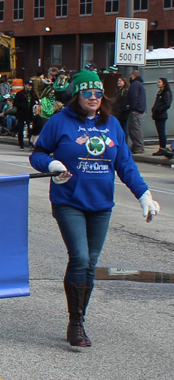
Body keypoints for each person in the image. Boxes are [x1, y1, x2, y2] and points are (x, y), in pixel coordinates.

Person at [29, 70, 160, 348]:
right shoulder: (59, 122)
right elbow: (38, 153)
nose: (93, 97)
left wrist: (144, 195)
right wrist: (51, 165)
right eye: (87, 92)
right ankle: (74, 324)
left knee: (90, 263)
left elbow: (125, 164)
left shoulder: (112, 125)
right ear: (76, 95)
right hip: (69, 202)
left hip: (101, 205)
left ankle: (80, 317)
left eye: (98, 93)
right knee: (79, 256)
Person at [124, 70, 146, 154]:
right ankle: (137, 145)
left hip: (135, 110)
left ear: (132, 75)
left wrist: (131, 107)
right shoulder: (139, 84)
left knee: (134, 128)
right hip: (138, 109)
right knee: (134, 128)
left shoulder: (135, 84)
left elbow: (133, 97)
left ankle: (139, 146)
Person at [13, 80, 39, 150]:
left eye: (31, 86)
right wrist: (22, 105)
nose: (30, 87)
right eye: (28, 85)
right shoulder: (20, 93)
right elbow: (15, 103)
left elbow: (37, 101)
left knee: (30, 129)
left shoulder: (33, 93)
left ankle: (31, 144)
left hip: (30, 114)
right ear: (25, 85)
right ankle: (21, 144)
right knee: (20, 129)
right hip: (21, 113)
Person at [150, 78, 172, 156]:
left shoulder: (166, 93)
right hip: (157, 115)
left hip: (161, 116)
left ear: (164, 84)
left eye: (159, 82)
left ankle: (162, 148)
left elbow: (167, 104)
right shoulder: (160, 92)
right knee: (160, 132)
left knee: (161, 133)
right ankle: (161, 148)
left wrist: (159, 110)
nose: (157, 83)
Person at [111, 76, 129, 143]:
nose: (119, 82)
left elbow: (124, 102)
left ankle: (124, 142)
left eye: (121, 81)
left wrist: (122, 110)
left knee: (123, 128)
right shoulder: (118, 91)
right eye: (118, 81)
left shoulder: (125, 91)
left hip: (122, 113)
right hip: (116, 112)